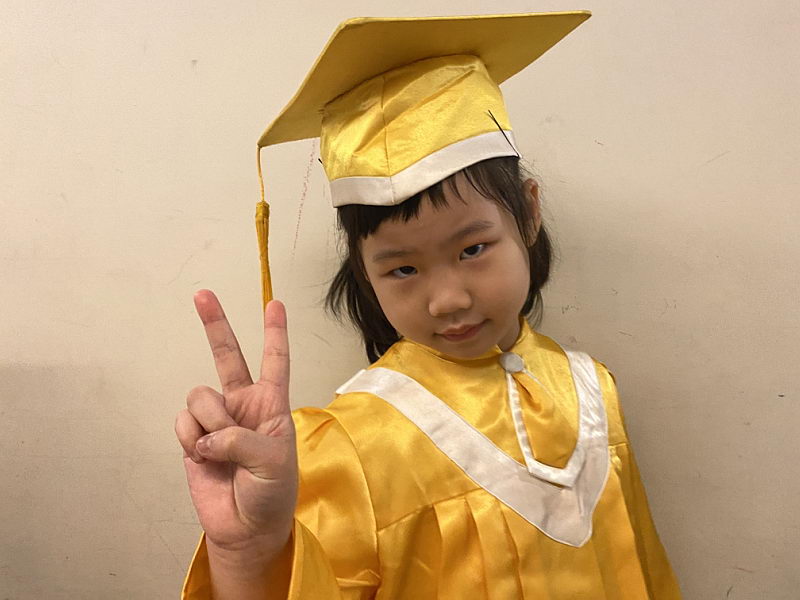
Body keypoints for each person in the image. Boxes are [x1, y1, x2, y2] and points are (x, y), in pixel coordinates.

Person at [175, 12, 682, 599]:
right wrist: (247, 554)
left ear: (529, 214)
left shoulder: (594, 393)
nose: (448, 299)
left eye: (473, 249)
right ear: (364, 270)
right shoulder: (351, 446)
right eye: (403, 269)